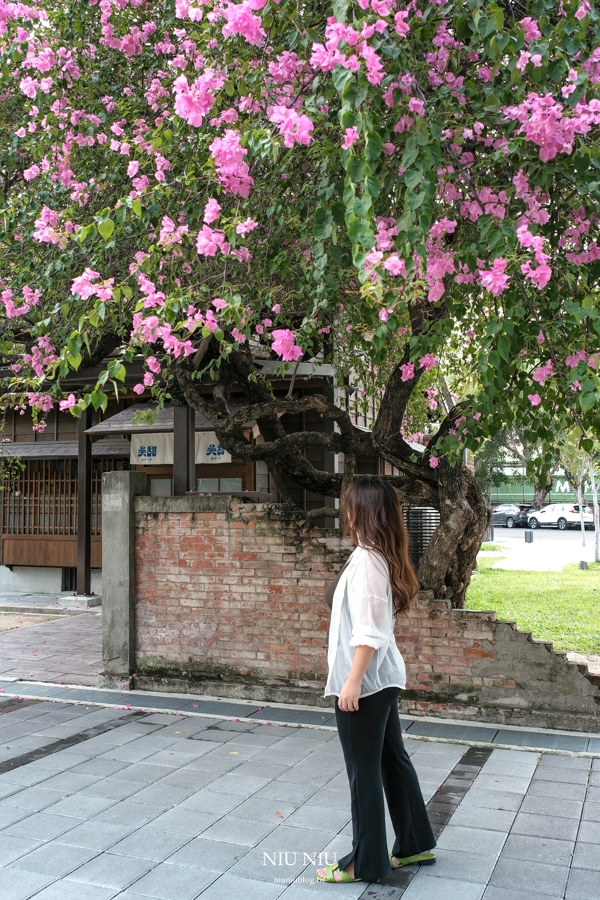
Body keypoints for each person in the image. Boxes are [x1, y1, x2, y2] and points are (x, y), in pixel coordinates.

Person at [316, 477, 436, 885]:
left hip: (366, 686)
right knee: (390, 761)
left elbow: (368, 632)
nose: (344, 512)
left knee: (362, 771)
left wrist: (351, 683)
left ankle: (363, 863)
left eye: (349, 505)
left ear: (361, 512)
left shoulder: (369, 561)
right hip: (381, 680)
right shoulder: (376, 556)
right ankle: (415, 841)